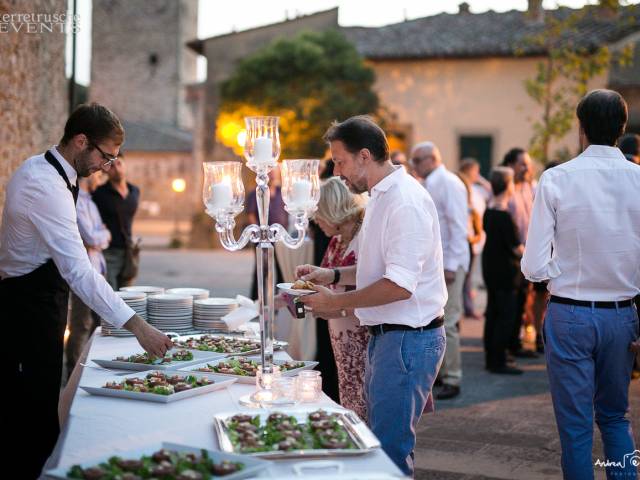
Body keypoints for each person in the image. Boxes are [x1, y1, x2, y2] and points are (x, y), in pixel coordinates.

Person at [0, 103, 172, 479]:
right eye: (105, 157)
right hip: (26, 307)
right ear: (81, 141)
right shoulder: (43, 184)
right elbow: (77, 268)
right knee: (31, 414)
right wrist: (138, 326)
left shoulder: (50, 170)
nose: (106, 166)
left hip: (44, 299)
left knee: (43, 404)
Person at [298, 116, 447, 476]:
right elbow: (376, 270)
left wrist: (335, 303)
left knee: (390, 453)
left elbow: (399, 284)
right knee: (378, 442)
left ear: (365, 155)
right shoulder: (379, 196)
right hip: (387, 339)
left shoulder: (404, 201)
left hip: (408, 340)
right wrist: (332, 274)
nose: (336, 169)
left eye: (340, 160)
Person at [522, 89, 639, 480]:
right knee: (615, 418)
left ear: (581, 127)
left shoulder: (557, 178)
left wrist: (567, 273)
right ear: (622, 128)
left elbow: (534, 265)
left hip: (571, 312)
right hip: (623, 314)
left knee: (575, 429)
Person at [411, 141, 469, 400]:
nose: (414, 166)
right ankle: (441, 374)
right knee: (438, 318)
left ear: (431, 158)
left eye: (417, 160)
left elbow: (458, 226)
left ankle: (453, 377)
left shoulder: (448, 182)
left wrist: (452, 265)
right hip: (438, 262)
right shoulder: (432, 182)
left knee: (451, 320)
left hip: (449, 263)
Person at [311, 177, 368, 419]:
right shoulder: (336, 240)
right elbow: (325, 277)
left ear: (334, 210)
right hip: (339, 335)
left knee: (366, 401)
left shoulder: (365, 237)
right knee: (349, 398)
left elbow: (375, 288)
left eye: (319, 214)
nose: (316, 221)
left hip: (362, 335)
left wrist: (339, 309)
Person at [65, 173, 111, 374]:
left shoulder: (90, 203)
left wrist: (101, 236)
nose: (101, 178)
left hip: (99, 268)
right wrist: (101, 236)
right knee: (81, 323)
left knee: (99, 323)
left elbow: (102, 235)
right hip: (84, 271)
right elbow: (92, 237)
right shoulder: (76, 203)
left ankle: (91, 368)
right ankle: (73, 371)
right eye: (100, 174)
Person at [482, 167, 524, 375]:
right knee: (506, 316)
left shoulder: (489, 211)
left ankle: (492, 358)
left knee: (493, 313)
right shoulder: (504, 216)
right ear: (509, 185)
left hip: (490, 267)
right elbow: (517, 248)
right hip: (506, 271)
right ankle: (499, 361)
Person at [502, 147, 539, 358]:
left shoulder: (528, 187)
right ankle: (505, 346)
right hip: (511, 255)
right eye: (522, 163)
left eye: (528, 163)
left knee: (524, 300)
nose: (527, 168)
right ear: (510, 165)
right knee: (509, 303)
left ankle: (515, 344)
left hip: (527, 252)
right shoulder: (505, 189)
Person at [92, 152, 140, 290]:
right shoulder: (99, 193)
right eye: (111, 166)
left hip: (129, 251)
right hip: (108, 252)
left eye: (119, 164)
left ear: (125, 165)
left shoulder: (135, 191)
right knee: (110, 294)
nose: (116, 168)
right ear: (106, 170)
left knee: (127, 295)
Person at [458, 158, 486, 320]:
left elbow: (489, 190)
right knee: (466, 276)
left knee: (468, 276)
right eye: (476, 171)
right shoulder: (462, 187)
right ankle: (468, 307)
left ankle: (468, 306)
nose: (478, 175)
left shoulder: (475, 188)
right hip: (467, 237)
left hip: (473, 238)